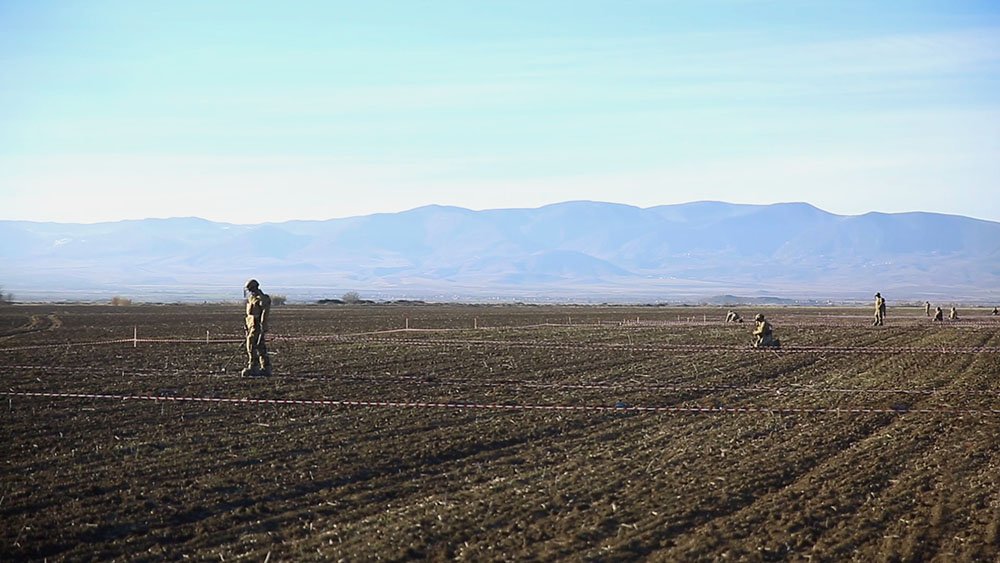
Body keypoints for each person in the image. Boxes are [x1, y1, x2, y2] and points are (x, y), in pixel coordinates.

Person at [242, 278, 272, 376]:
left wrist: (263, 325)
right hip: (251, 326)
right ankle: (265, 367)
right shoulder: (251, 299)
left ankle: (254, 367)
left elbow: (265, 313)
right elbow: (249, 315)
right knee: (259, 346)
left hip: (257, 326)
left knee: (252, 346)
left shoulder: (262, 298)